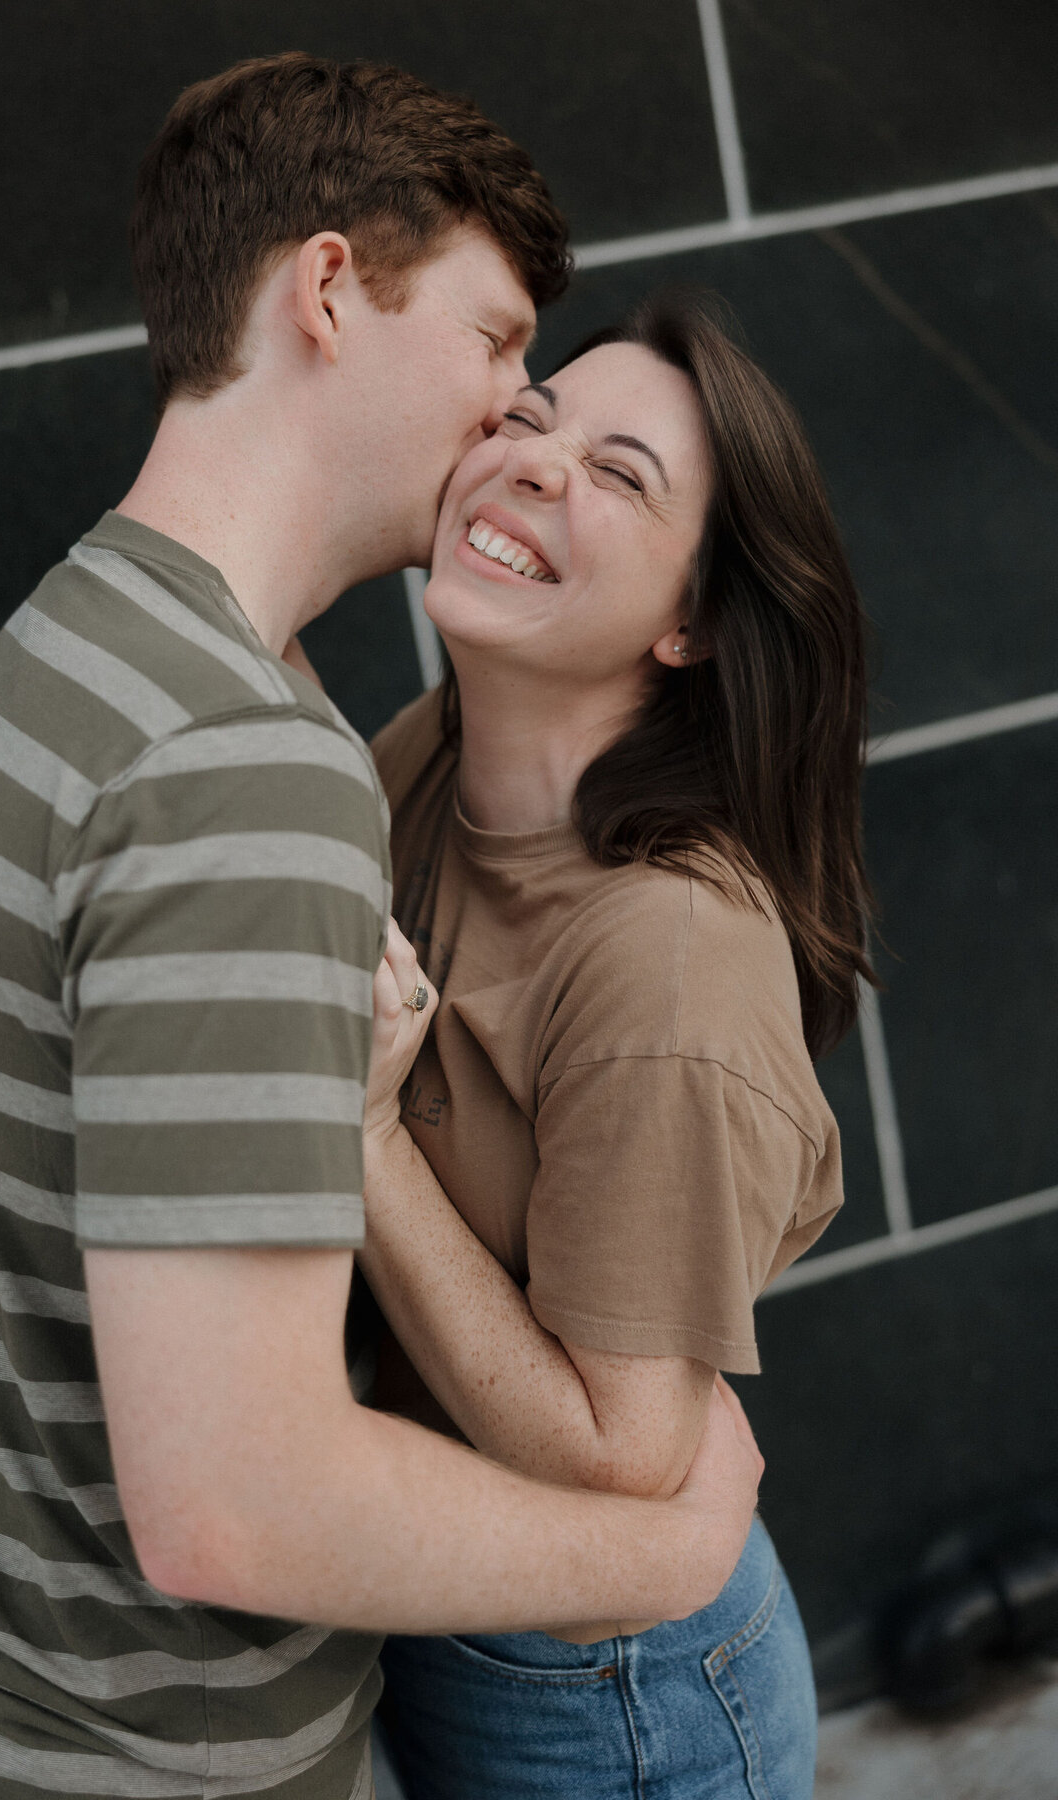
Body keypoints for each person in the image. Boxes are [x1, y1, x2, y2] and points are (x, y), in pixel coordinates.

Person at [0, 58, 763, 1800]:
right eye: (501, 346)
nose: (512, 416)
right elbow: (233, 1505)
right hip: (131, 1755)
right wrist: (660, 1559)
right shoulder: (242, 765)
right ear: (330, 291)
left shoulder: (77, 632)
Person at [358, 291, 874, 1799]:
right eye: (529, 420)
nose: (535, 462)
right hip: (450, 1614)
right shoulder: (427, 756)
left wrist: (363, 1142)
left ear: (691, 621)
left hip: (611, 1698)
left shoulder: (664, 962)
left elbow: (620, 1457)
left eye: (622, 473)